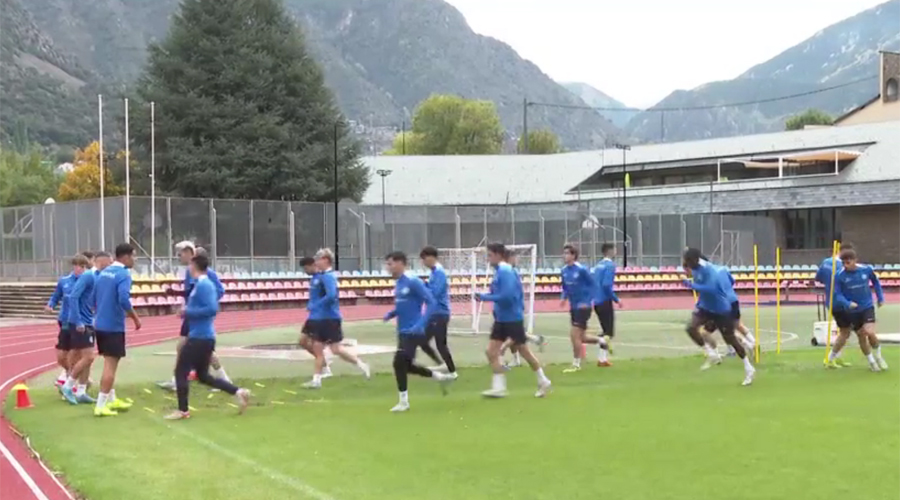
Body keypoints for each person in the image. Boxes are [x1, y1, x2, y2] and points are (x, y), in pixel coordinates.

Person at [165, 253, 251, 420]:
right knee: (203, 376)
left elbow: (212, 309)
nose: (188, 268)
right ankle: (238, 392)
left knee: (180, 371)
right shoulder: (199, 284)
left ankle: (182, 411)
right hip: (201, 335)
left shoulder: (205, 285)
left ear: (195, 266)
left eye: (190, 265)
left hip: (200, 337)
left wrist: (187, 311)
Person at [383, 251, 455, 412]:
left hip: (413, 331)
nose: (388, 267)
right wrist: (392, 313)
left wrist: (421, 323)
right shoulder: (399, 283)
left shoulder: (413, 281)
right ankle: (440, 377)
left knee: (398, 362)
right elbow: (404, 305)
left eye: (390, 264)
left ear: (400, 263)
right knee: (406, 366)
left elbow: (430, 302)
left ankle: (404, 402)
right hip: (402, 330)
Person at [477, 242, 551, 398]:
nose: (487, 259)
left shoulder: (505, 271)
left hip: (512, 319)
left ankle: (543, 380)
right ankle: (499, 388)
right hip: (502, 319)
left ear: (498, 255)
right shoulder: (499, 272)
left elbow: (508, 296)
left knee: (524, 353)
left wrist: (485, 297)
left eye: (489, 255)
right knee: (491, 352)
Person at [158, 242, 228, 391]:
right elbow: (190, 292)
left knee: (196, 349)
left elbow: (219, 291)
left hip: (196, 316)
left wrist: (205, 301)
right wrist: (175, 293)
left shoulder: (206, 273)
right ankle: (179, 380)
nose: (179, 257)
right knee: (186, 347)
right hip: (190, 314)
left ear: (190, 253)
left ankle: (180, 380)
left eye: (181, 253)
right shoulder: (189, 273)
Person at [681, 248, 755, 386]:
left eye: (688, 262)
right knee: (691, 327)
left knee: (730, 339)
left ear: (694, 261)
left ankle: (749, 367)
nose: (687, 265)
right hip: (705, 307)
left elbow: (712, 288)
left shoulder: (710, 271)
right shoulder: (696, 265)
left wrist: (691, 285)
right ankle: (711, 353)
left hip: (721, 309)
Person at [302, 248, 370, 389]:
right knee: (322, 348)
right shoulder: (321, 275)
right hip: (320, 318)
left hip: (329, 318)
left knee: (334, 349)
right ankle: (317, 379)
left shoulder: (328, 276)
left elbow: (332, 295)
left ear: (326, 260)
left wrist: (315, 305)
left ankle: (360, 365)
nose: (316, 261)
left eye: (318, 259)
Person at [92, 243, 142, 416]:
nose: (135, 260)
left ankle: (111, 400)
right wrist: (135, 318)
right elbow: (123, 299)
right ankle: (100, 405)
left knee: (108, 362)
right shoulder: (123, 274)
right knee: (110, 365)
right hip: (113, 326)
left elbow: (93, 297)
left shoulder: (102, 273)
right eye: (134, 256)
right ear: (125, 257)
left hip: (100, 324)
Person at [828, 248, 888, 372]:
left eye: (848, 262)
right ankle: (872, 362)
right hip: (852, 311)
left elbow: (876, 282)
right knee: (861, 336)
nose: (846, 265)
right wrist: (847, 303)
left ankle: (879, 356)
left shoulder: (866, 270)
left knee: (869, 331)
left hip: (867, 306)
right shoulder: (839, 275)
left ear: (855, 260)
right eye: (843, 263)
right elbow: (838, 294)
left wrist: (880, 298)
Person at [61, 254, 97, 405]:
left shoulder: (91, 276)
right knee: (88, 357)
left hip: (87, 321)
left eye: (78, 265)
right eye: (75, 265)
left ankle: (81, 391)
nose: (76, 269)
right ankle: (68, 386)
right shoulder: (87, 276)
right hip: (80, 324)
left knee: (79, 356)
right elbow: (73, 298)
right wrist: (79, 321)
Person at [559, 244, 599, 373]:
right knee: (581, 337)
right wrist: (563, 298)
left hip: (583, 307)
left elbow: (593, 285)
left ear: (573, 255)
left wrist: (587, 302)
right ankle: (602, 341)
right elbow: (565, 288)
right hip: (573, 306)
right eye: (564, 253)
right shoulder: (564, 270)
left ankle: (576, 364)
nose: (564, 256)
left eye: (567, 253)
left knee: (574, 335)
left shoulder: (582, 270)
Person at [816, 242, 855, 368]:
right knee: (845, 331)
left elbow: (818, 278)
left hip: (830, 300)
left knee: (845, 331)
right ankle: (831, 358)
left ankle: (836, 357)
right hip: (841, 302)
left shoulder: (826, 262)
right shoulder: (842, 266)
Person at [419, 246, 456, 376]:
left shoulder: (439, 272)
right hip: (435, 313)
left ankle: (450, 369)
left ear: (431, 257)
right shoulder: (434, 272)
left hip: (440, 313)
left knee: (440, 343)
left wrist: (423, 288)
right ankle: (444, 366)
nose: (423, 262)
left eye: (424, 259)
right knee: (424, 341)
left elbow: (435, 293)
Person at [298, 257, 334, 378]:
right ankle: (324, 362)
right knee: (302, 341)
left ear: (313, 265)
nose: (305, 271)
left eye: (306, 268)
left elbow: (330, 296)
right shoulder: (313, 279)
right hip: (312, 315)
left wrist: (317, 306)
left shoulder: (323, 277)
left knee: (316, 344)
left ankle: (323, 369)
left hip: (320, 317)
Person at [46, 268, 76, 388]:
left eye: (82, 265)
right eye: (77, 265)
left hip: (81, 323)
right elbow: (55, 296)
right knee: (61, 356)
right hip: (64, 321)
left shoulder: (88, 280)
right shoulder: (64, 281)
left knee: (76, 354)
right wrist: (50, 305)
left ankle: (74, 383)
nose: (79, 268)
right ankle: (70, 375)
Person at [591, 243, 620, 367]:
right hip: (604, 300)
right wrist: (616, 299)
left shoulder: (597, 266)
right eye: (614, 249)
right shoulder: (610, 266)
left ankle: (602, 359)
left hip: (596, 301)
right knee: (608, 332)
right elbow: (607, 285)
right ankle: (602, 357)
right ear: (610, 251)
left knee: (605, 331)